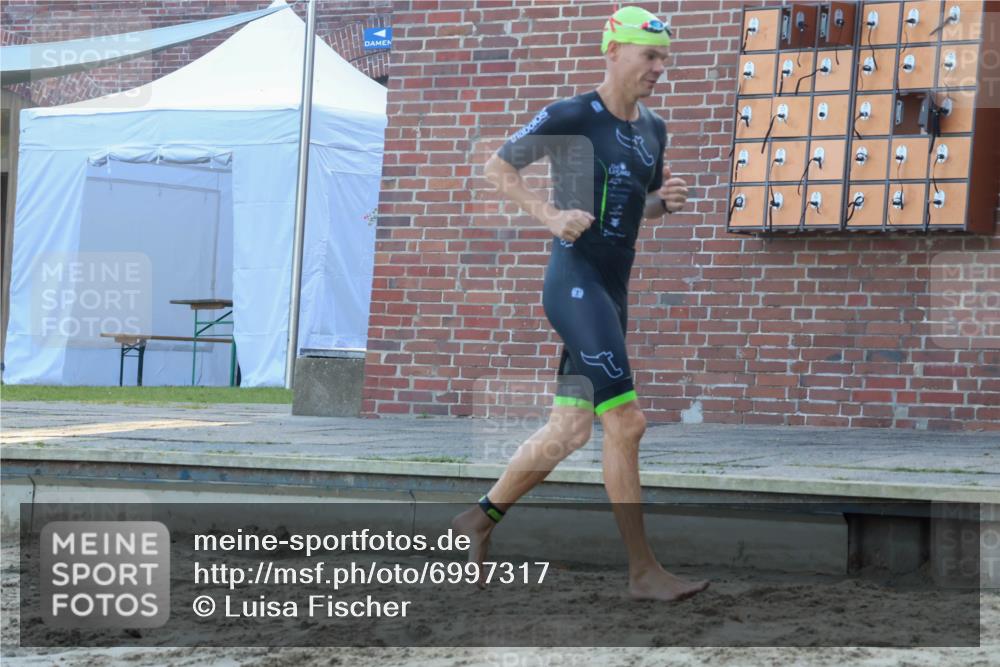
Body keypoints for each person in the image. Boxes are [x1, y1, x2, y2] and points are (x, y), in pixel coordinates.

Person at [452, 6, 709, 602]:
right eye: (650, 55)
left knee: (569, 428)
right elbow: (497, 168)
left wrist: (662, 203)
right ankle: (643, 571)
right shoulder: (572, 115)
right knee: (627, 421)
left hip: (611, 292)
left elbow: (633, 208)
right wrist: (550, 214)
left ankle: (478, 519)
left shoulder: (654, 130)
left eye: (664, 57)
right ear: (613, 50)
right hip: (574, 284)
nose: (659, 68)